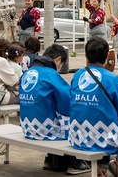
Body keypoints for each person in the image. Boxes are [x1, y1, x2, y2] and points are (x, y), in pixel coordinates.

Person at [69, 37, 118, 177]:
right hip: (102, 137)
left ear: (85, 56)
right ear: (107, 56)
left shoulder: (77, 75)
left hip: (76, 136)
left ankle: (102, 166)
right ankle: (116, 163)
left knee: (101, 121)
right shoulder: (111, 78)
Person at [19, 44, 89, 174]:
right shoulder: (50, 75)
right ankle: (75, 163)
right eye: (61, 64)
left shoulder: (27, 73)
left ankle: (51, 159)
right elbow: (67, 104)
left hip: (27, 127)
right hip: (45, 130)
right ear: (57, 59)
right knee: (79, 122)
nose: (60, 67)